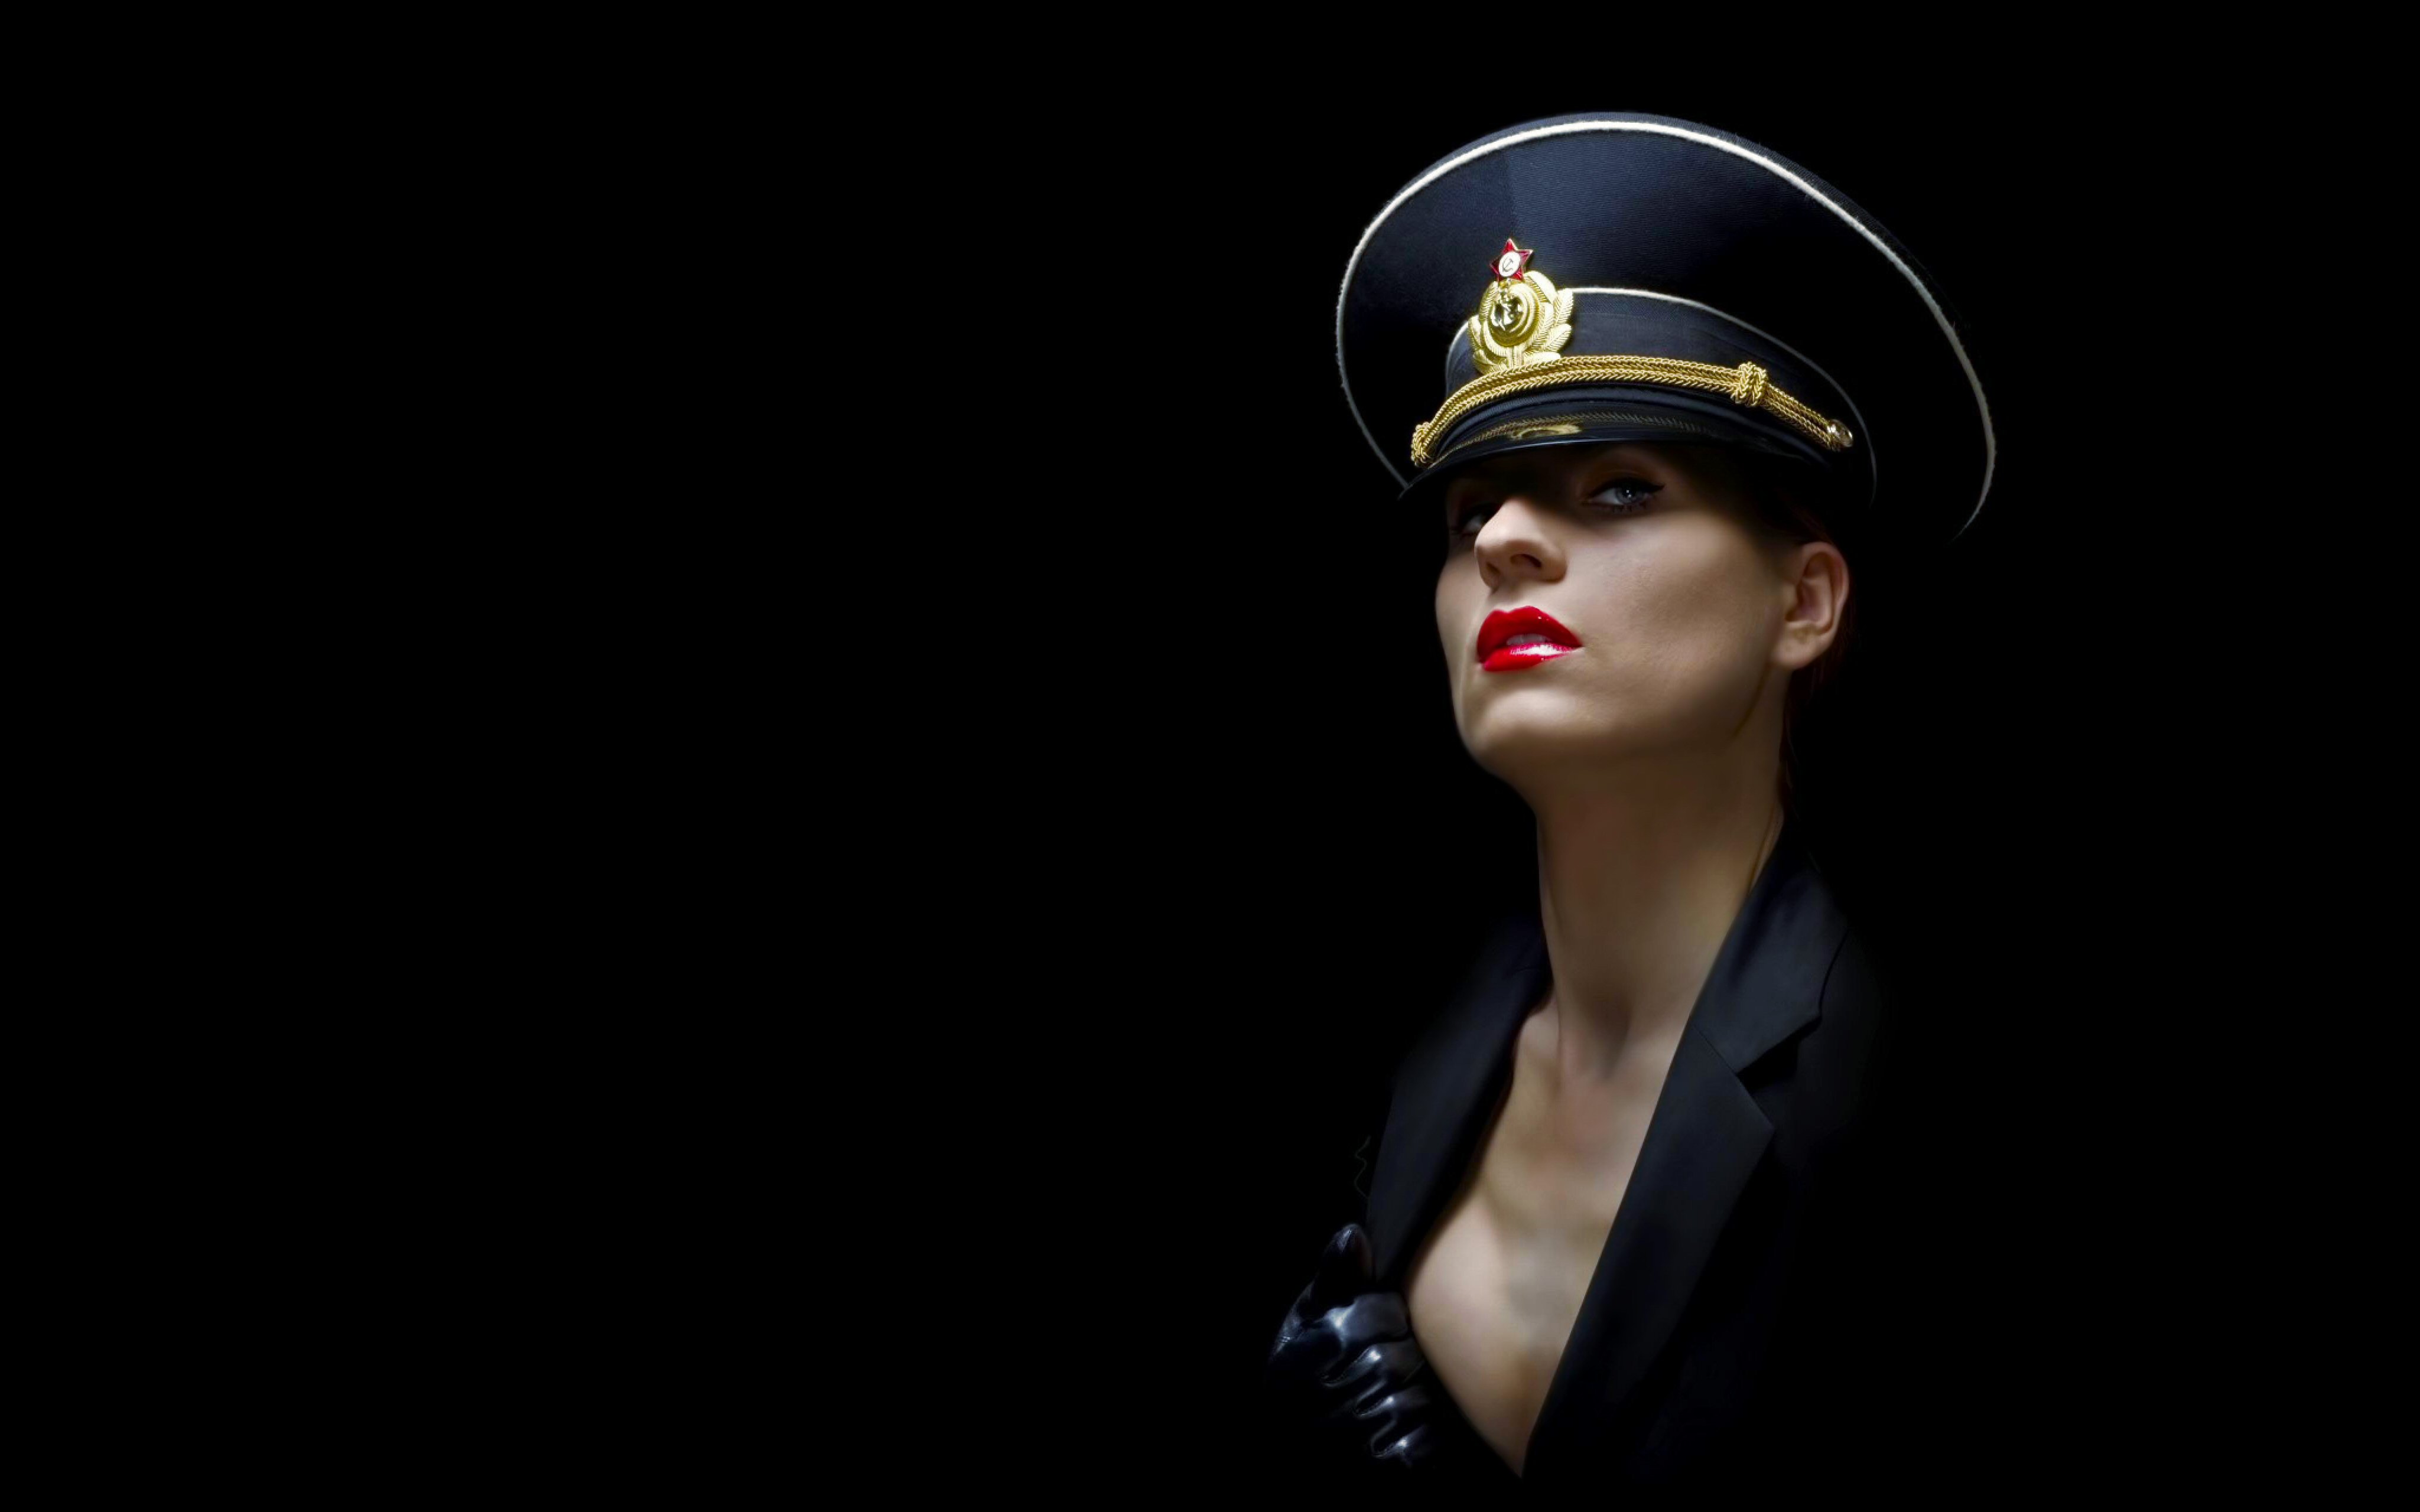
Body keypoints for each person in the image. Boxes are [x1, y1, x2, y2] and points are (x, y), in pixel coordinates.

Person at [1262, 112, 1997, 1492]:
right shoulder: (1410, 1034)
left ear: (1804, 601)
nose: (1502, 539)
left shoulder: (1910, 1101)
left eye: (1616, 485)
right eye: (1467, 510)